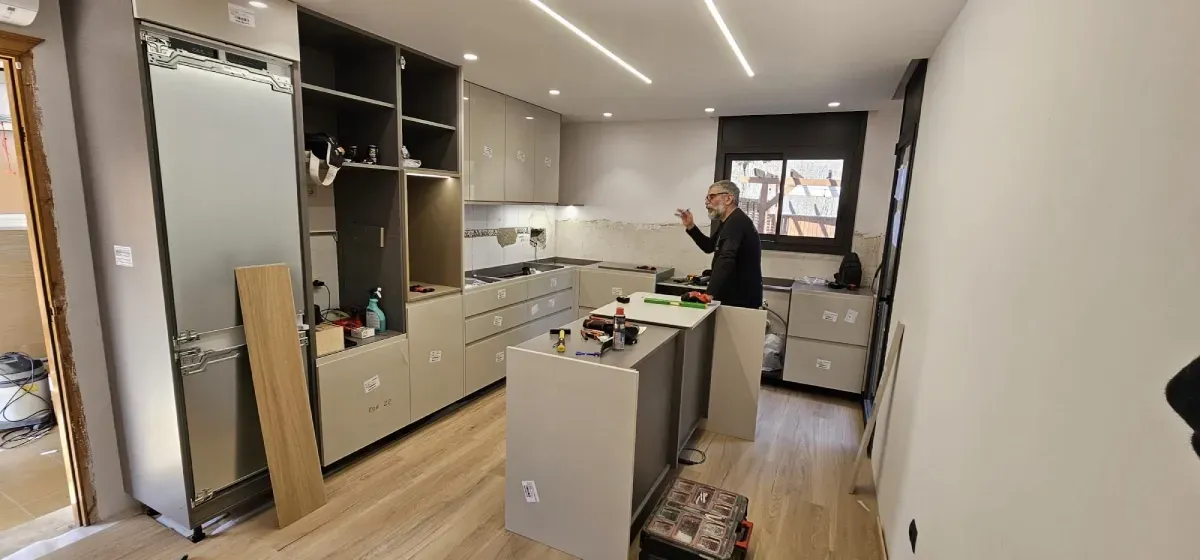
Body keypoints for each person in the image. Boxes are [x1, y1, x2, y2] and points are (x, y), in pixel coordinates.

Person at [676, 180, 763, 308]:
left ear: (728, 198)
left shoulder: (736, 222)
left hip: (741, 301)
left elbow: (726, 257)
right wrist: (691, 226)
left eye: (711, 196)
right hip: (735, 296)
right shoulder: (728, 222)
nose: (706, 202)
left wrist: (708, 294)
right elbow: (709, 246)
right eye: (707, 197)